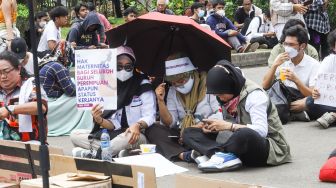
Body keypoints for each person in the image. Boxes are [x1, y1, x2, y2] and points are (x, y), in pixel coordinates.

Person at [182, 60, 291, 172]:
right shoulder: (228, 95)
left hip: (268, 147)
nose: (219, 98)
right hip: (237, 143)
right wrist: (211, 125)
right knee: (189, 133)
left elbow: (261, 131)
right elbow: (227, 121)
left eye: (221, 94)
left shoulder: (255, 95)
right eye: (216, 95)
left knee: (244, 134)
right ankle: (220, 155)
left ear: (231, 86)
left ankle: (218, 155)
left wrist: (229, 126)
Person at [71, 46, 156, 158]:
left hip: (136, 135)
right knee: (75, 135)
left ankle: (97, 154)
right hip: (114, 134)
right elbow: (112, 125)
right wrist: (99, 119)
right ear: (112, 66)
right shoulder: (109, 85)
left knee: (127, 136)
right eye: (119, 66)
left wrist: (137, 125)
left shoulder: (143, 84)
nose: (123, 70)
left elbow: (150, 116)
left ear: (133, 67)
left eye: (128, 66)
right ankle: (117, 153)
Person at [145, 53, 222, 161]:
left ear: (192, 74)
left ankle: (206, 152)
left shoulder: (207, 86)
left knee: (189, 133)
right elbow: (170, 122)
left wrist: (199, 125)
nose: (178, 85)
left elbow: (220, 114)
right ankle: (185, 155)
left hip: (204, 131)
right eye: (174, 82)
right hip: (181, 134)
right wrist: (160, 101)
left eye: (181, 80)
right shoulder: (173, 91)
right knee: (152, 129)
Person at [262, 25, 320, 121]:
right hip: (283, 96)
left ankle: (288, 112)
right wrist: (275, 65)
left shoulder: (314, 65)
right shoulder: (283, 60)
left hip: (300, 98)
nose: (287, 48)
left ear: (302, 46)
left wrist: (296, 80)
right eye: (285, 44)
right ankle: (292, 113)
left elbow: (313, 94)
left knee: (313, 102)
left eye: (291, 45)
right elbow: (265, 85)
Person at [39, 40, 92, 136]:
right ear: (66, 55)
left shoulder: (48, 60)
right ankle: (83, 125)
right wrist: (87, 87)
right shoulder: (58, 66)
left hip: (44, 96)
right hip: (50, 99)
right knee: (85, 98)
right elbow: (71, 91)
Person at [0, 51, 47, 142]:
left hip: (28, 143)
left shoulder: (31, 84)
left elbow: (41, 107)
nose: (3, 76)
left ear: (18, 69)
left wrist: (10, 109)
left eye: (6, 71)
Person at [305, 29, 336, 128]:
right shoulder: (329, 61)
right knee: (311, 101)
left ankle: (333, 116)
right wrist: (315, 91)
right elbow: (317, 83)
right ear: (334, 47)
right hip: (333, 102)